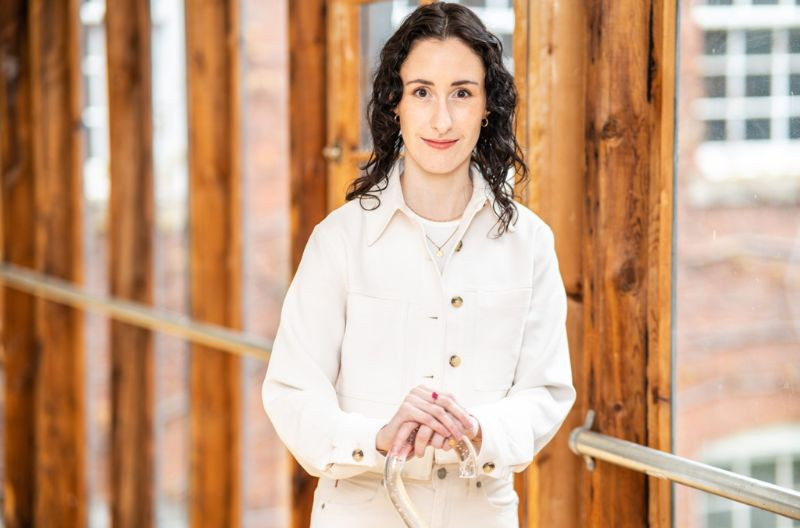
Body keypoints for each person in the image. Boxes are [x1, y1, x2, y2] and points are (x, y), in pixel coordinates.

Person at [261, 2, 576, 526]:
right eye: (422, 92)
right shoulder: (338, 241)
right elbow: (292, 390)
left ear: (487, 107)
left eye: (462, 93)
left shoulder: (531, 243)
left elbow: (545, 391)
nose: (442, 119)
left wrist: (478, 429)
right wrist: (375, 439)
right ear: (396, 105)